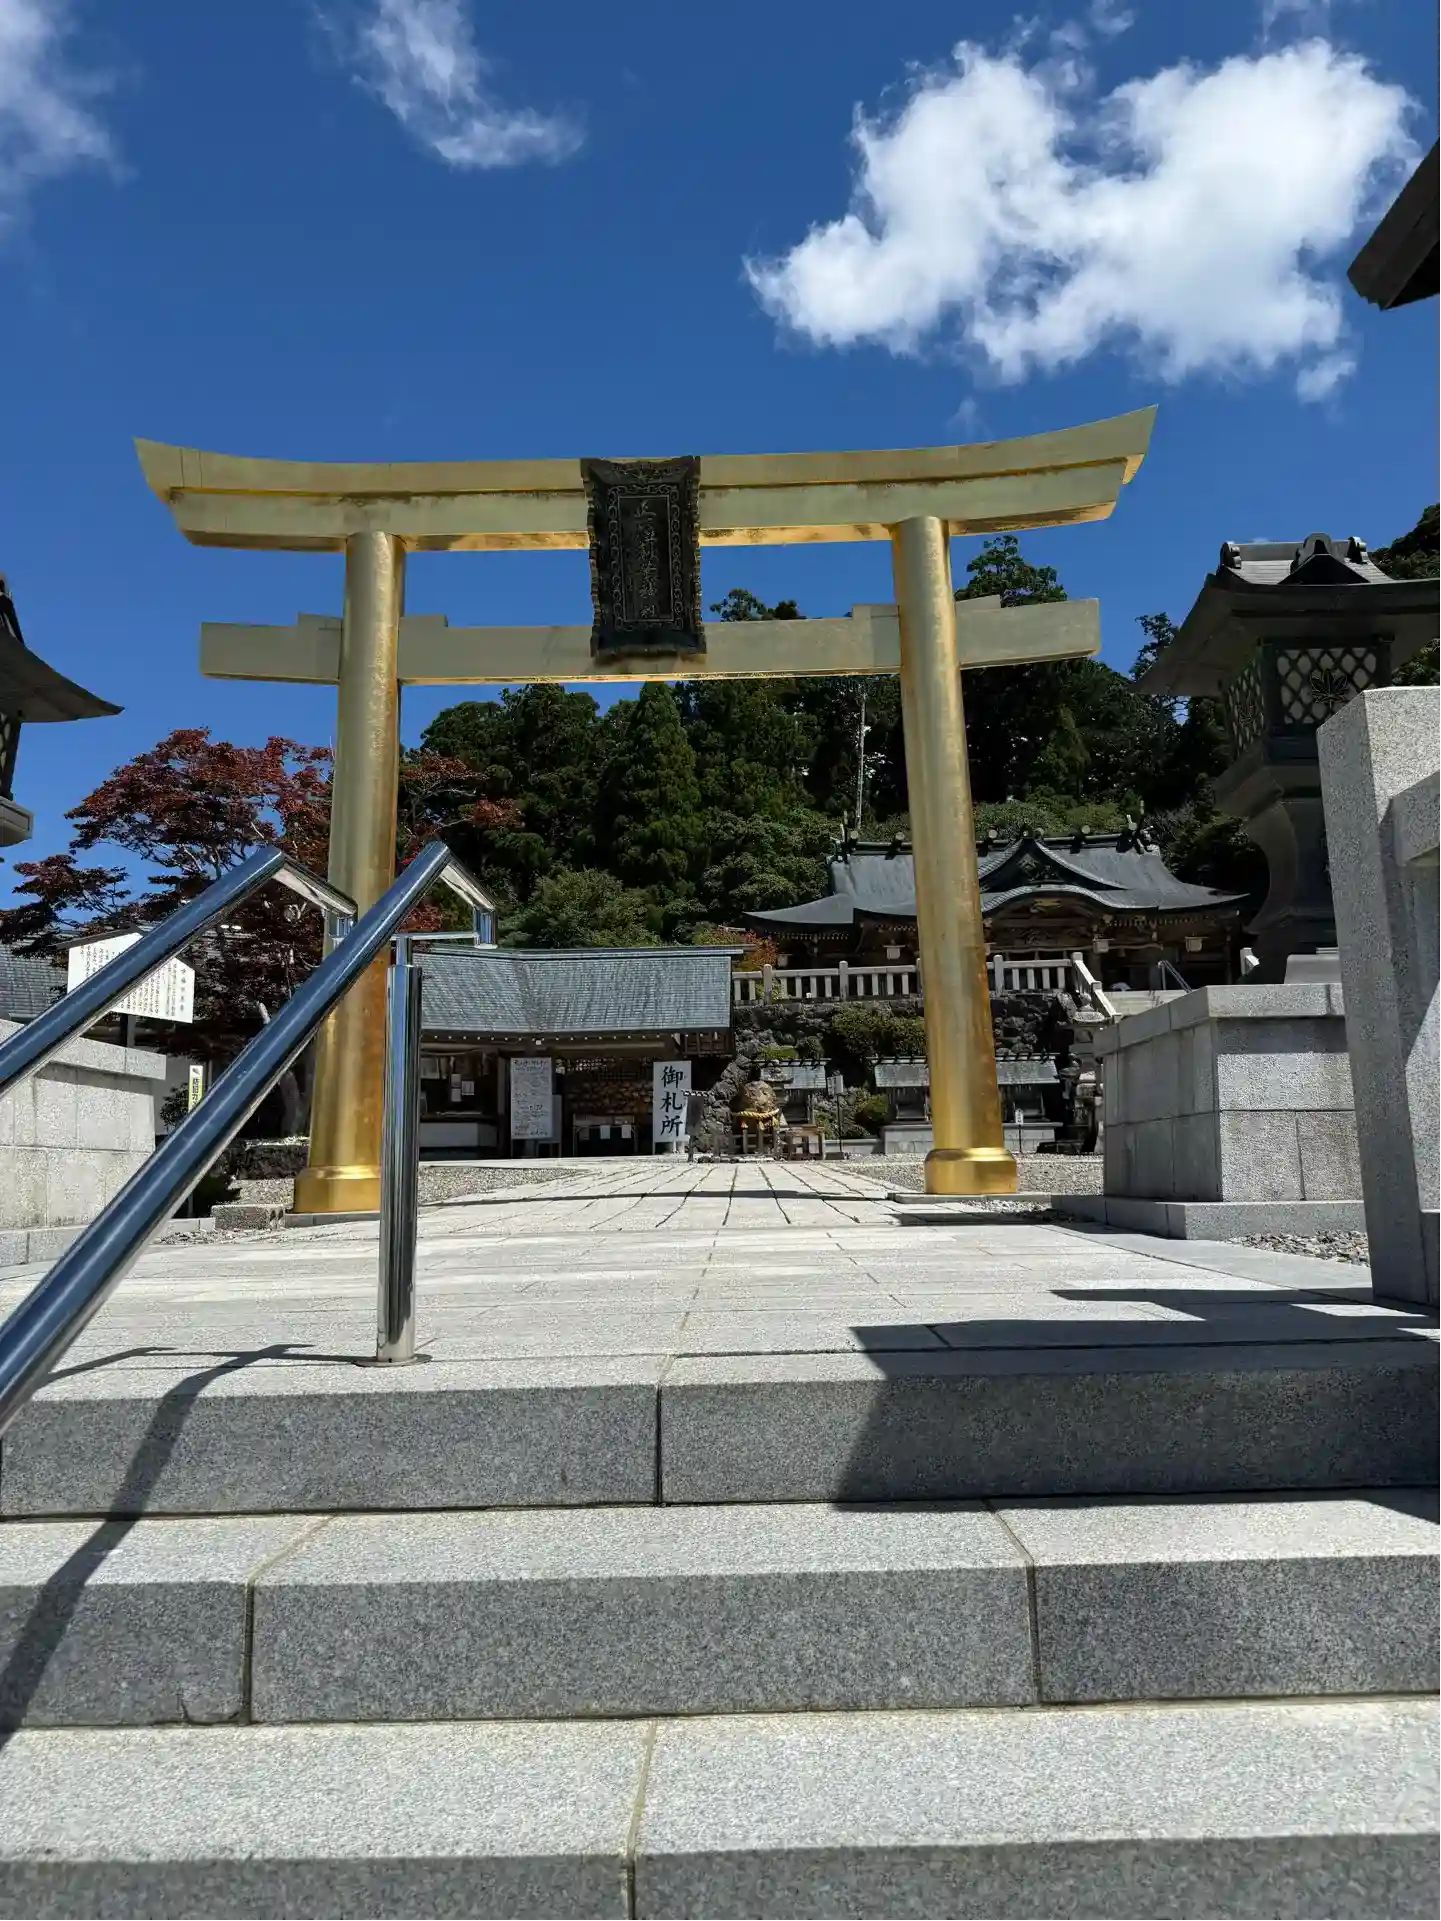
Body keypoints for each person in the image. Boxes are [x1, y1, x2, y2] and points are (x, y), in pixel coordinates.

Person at [685, 1088, 707, 1160]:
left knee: (692, 1137)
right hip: (692, 1120)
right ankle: (690, 1156)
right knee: (692, 1137)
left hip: (694, 1119)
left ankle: (690, 1156)